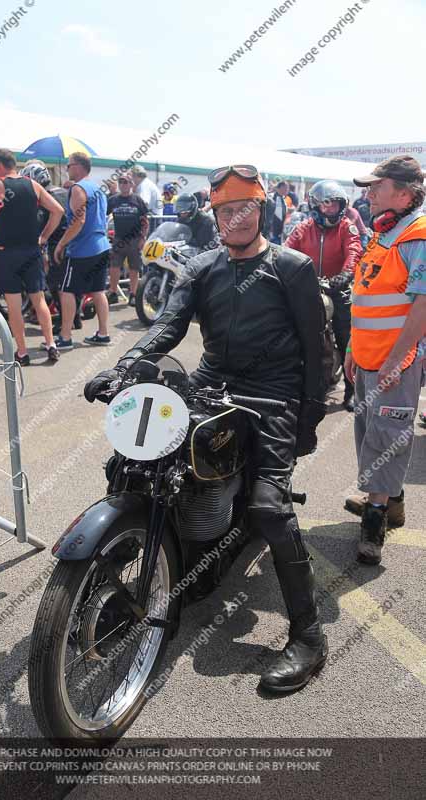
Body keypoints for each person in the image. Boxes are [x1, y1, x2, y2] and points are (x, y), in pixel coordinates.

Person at [85, 164, 328, 693]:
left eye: (244, 207)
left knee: (269, 508)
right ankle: (161, 576)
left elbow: (318, 349)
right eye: (225, 210)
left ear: (260, 209)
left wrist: (307, 416)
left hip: (274, 394)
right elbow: (168, 324)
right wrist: (126, 365)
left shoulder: (293, 267)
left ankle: (309, 635)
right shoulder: (200, 266)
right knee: (142, 466)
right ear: (213, 214)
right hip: (211, 382)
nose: (234, 217)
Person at [344, 155, 426, 564]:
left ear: (405, 193)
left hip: (397, 361)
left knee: (386, 440)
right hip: (368, 357)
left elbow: (422, 304)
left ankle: (373, 526)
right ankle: (390, 504)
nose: (370, 193)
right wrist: (351, 349)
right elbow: (368, 296)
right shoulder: (384, 234)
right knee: (368, 434)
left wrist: (396, 359)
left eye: (377, 186)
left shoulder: (418, 235)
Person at [0, 148, 63, 365]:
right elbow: (58, 210)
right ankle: (51, 343)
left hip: (7, 253)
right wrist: (43, 237)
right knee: (38, 299)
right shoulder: (33, 185)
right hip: (32, 251)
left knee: (14, 305)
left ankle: (22, 352)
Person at [285, 179, 363, 411]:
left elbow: (354, 250)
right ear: (315, 205)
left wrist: (345, 275)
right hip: (308, 289)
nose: (331, 209)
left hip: (338, 290)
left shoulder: (346, 227)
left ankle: (351, 392)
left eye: (335, 205)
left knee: (347, 336)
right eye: (326, 205)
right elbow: (286, 251)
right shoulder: (303, 228)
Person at [54, 152, 111, 348]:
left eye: (68, 166)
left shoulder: (78, 189)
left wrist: (61, 244)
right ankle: (103, 334)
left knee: (67, 291)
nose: (67, 169)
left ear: (78, 166)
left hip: (83, 249)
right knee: (98, 291)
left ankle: (65, 337)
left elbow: (79, 221)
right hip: (101, 246)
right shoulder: (97, 188)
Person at [18, 162, 75, 335]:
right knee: (66, 283)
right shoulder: (63, 191)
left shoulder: (45, 195)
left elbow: (40, 220)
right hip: (71, 240)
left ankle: (67, 322)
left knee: (54, 283)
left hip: (57, 242)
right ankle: (74, 318)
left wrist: (37, 237)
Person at [106, 173, 149, 307]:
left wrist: (143, 238)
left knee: (134, 268)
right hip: (119, 239)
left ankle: (133, 294)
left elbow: (145, 221)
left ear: (131, 184)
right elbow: (103, 215)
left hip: (134, 239)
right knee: (114, 266)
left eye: (126, 182)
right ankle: (113, 293)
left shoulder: (138, 200)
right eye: (121, 182)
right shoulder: (113, 200)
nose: (123, 185)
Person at [265, 179, 289, 244]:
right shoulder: (271, 197)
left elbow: (282, 213)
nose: (287, 190)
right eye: (286, 188)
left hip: (279, 231)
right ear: (281, 187)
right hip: (271, 231)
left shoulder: (283, 199)